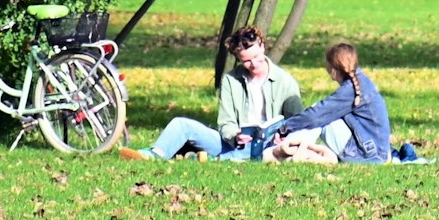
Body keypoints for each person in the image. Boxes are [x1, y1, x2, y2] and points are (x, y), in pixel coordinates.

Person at [120, 26, 302, 161]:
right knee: (181, 124)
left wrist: (282, 137)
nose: (254, 64)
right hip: (234, 142)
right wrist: (235, 135)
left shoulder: (286, 82)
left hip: (267, 146)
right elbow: (226, 122)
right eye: (246, 61)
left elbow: (298, 123)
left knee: (257, 152)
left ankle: (206, 157)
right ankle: (152, 155)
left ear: (262, 46)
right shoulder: (231, 80)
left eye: (256, 57)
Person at [267, 42, 393, 165]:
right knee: (321, 116)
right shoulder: (360, 82)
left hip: (369, 156)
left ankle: (286, 151)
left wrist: (285, 127)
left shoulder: (351, 90)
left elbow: (315, 116)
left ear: (332, 69)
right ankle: (288, 149)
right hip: (375, 151)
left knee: (321, 118)